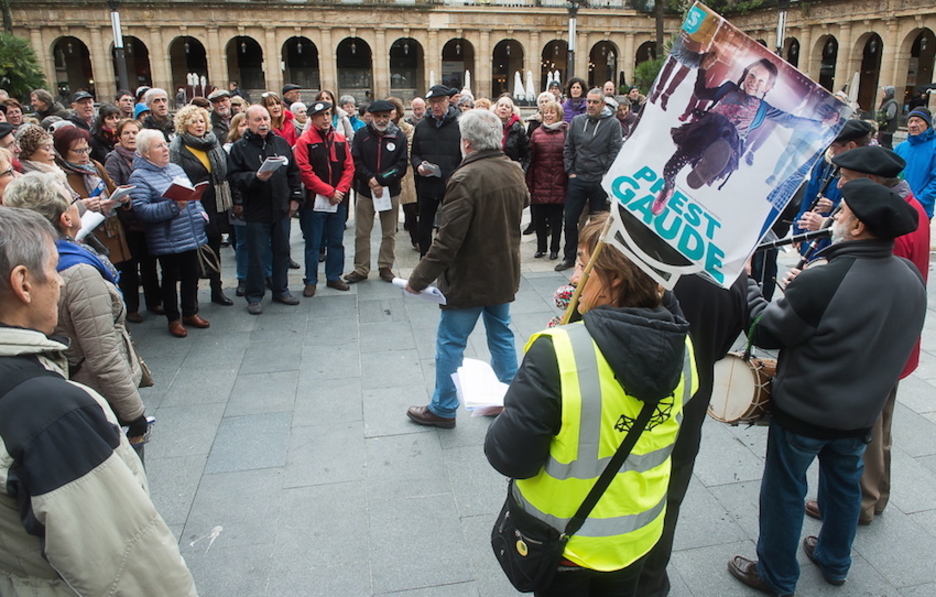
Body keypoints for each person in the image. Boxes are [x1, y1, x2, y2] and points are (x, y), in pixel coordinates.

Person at [728, 178, 926, 597]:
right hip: (861, 412)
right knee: (843, 484)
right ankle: (836, 561)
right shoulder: (909, 275)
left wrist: (747, 284)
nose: (834, 216)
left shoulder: (826, 279)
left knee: (784, 489)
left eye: (842, 212)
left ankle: (777, 576)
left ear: (857, 228)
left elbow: (766, 331)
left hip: (806, 410)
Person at [485, 211, 694, 596]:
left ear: (615, 277)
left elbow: (509, 457)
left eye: (583, 265)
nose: (575, 278)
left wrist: (525, 393)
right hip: (638, 537)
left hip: (568, 541)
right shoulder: (683, 349)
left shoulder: (558, 353)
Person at [0, 205, 198, 597]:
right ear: (23, 283)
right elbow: (128, 566)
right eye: (54, 269)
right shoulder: (52, 413)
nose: (58, 282)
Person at [799, 146, 930, 529]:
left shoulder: (893, 227)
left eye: (846, 180)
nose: (840, 187)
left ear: (871, 182)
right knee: (880, 426)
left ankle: (860, 503)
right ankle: (876, 494)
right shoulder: (906, 211)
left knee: (869, 429)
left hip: (879, 345)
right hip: (894, 341)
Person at [405, 108, 528, 428]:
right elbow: (524, 201)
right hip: (503, 272)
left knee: (450, 342)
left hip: (470, 278)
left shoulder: (465, 177)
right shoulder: (512, 169)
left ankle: (443, 408)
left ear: (468, 144)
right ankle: (509, 402)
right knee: (501, 335)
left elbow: (447, 241)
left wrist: (418, 280)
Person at [4, 172, 151, 440]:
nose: (80, 202)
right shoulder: (79, 272)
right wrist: (134, 415)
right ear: (66, 218)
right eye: (73, 198)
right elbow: (103, 356)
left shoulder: (28, 259)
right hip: (97, 397)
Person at [636, 273, 748, 597]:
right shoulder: (735, 277)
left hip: (633, 407)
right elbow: (722, 346)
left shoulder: (646, 262)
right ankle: (652, 579)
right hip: (689, 404)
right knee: (669, 500)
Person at [129, 129, 210, 337]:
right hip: (167, 237)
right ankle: (173, 318)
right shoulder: (139, 176)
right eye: (159, 146)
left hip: (189, 232)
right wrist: (174, 207)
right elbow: (142, 210)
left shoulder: (175, 168)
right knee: (170, 277)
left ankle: (190, 312)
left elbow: (193, 195)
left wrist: (200, 213)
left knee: (191, 274)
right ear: (146, 153)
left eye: (165, 144)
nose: (165, 149)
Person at [227, 105, 303, 314]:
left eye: (266, 119)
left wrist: (296, 198)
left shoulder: (280, 142)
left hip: (281, 208)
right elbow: (233, 178)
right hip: (256, 211)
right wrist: (255, 178)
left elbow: (293, 173)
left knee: (282, 251)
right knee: (257, 255)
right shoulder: (239, 148)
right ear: (248, 123)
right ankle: (254, 295)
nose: (263, 123)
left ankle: (281, 289)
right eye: (257, 120)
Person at [169, 104, 234, 307]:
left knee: (215, 245)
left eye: (201, 121)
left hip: (215, 200)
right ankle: (192, 297)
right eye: (193, 121)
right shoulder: (178, 148)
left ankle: (217, 289)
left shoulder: (213, 142)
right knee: (193, 251)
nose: (199, 125)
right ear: (183, 125)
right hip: (193, 203)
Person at [555, 88, 623, 271]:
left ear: (602, 104)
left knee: (596, 223)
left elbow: (615, 151)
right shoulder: (577, 121)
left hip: (598, 180)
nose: (591, 105)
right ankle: (569, 256)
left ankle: (593, 259)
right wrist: (571, 171)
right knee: (570, 219)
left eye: (595, 102)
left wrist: (604, 174)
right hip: (577, 178)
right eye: (589, 102)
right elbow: (568, 148)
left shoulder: (612, 124)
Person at [294, 100, 354, 297]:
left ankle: (334, 276)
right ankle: (310, 280)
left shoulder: (339, 138)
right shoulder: (305, 141)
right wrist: (329, 191)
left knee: (336, 241)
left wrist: (340, 190)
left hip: (338, 200)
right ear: (313, 118)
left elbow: (349, 167)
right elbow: (305, 171)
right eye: (321, 115)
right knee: (314, 243)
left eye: (329, 114)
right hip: (314, 202)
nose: (326, 118)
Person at [104, 118, 163, 322]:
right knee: (129, 267)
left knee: (149, 264)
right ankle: (132, 307)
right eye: (127, 133)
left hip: (146, 220)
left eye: (135, 133)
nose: (131, 137)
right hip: (127, 221)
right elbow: (111, 186)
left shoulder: (146, 156)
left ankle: (154, 301)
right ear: (119, 137)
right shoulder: (114, 159)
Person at [791, 118, 874, 261]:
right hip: (814, 235)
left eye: (835, 148)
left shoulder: (868, 171)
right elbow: (809, 196)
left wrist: (833, 207)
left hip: (836, 240)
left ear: (850, 146)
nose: (832, 152)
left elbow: (863, 213)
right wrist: (799, 230)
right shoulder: (826, 163)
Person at [346, 99, 407, 284]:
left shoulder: (399, 136)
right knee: (362, 232)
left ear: (391, 116)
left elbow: (401, 165)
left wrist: (380, 180)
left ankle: (385, 266)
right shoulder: (361, 135)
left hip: (391, 190)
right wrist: (370, 179)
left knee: (389, 232)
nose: (382, 120)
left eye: (386, 116)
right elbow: (355, 161)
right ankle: (361, 268)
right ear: (371, 116)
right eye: (378, 116)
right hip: (365, 190)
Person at [53, 125, 133, 267]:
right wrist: (87, 206)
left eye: (86, 149)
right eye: (78, 151)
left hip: (114, 233)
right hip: (91, 239)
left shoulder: (94, 167)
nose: (84, 155)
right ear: (62, 152)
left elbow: (111, 189)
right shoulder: (60, 176)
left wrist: (123, 199)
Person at [411, 85, 462, 256]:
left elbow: (465, 155)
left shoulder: (460, 125)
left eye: (439, 101)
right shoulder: (422, 126)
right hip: (427, 185)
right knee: (424, 227)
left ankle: (448, 262)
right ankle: (425, 261)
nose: (435, 106)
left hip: (451, 185)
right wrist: (419, 166)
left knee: (449, 227)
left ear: (448, 101)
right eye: (432, 102)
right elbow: (415, 153)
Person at [526, 100, 567, 260]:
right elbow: (531, 159)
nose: (549, 116)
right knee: (539, 218)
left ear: (558, 115)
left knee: (557, 220)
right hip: (540, 181)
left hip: (559, 181)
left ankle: (555, 249)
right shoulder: (536, 133)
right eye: (546, 113)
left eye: (552, 113)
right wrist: (529, 183)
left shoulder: (566, 132)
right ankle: (541, 247)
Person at [388, 96, 419, 252]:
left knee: (411, 208)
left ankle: (416, 239)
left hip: (405, 171)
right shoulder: (379, 128)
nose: (391, 112)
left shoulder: (407, 128)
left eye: (393, 109)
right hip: (386, 172)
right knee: (388, 209)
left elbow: (410, 149)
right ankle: (390, 237)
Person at [894, 107, 936, 218]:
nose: (913, 125)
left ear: (927, 124)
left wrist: (917, 201)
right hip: (897, 206)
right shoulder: (901, 147)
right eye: (910, 121)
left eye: (917, 121)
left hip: (921, 209)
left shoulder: (934, 147)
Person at [493, 95, 530, 171]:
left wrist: (521, 171)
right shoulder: (487, 126)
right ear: (496, 109)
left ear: (511, 112)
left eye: (507, 107)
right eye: (501, 105)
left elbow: (527, 154)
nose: (503, 108)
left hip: (511, 171)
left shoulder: (518, 129)